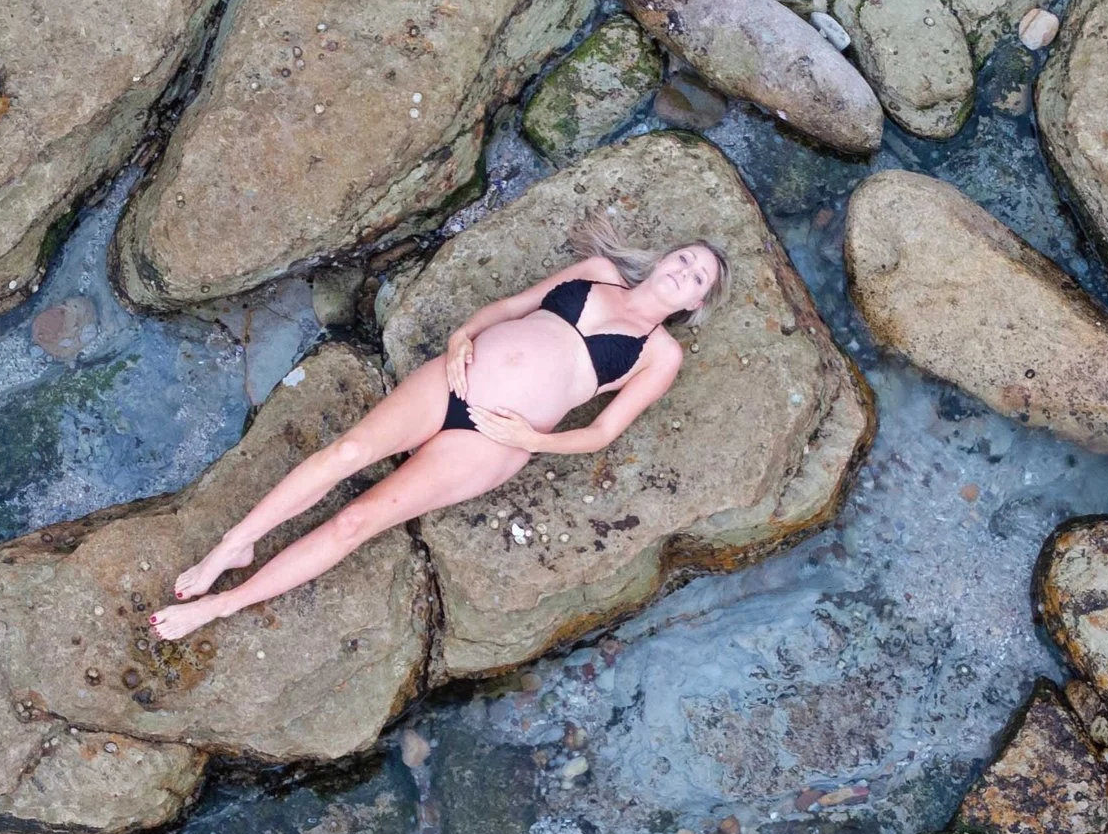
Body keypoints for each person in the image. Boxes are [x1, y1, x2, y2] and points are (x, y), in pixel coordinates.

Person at [149, 216, 729, 640]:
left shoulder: (660, 354)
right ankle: (233, 544)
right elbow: (510, 307)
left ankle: (222, 606)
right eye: (685, 258)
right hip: (453, 378)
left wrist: (534, 441)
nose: (685, 271)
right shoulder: (598, 271)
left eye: (698, 277)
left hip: (490, 441)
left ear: (697, 302)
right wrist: (460, 337)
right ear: (662, 256)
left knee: (358, 519)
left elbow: (602, 433)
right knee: (346, 450)